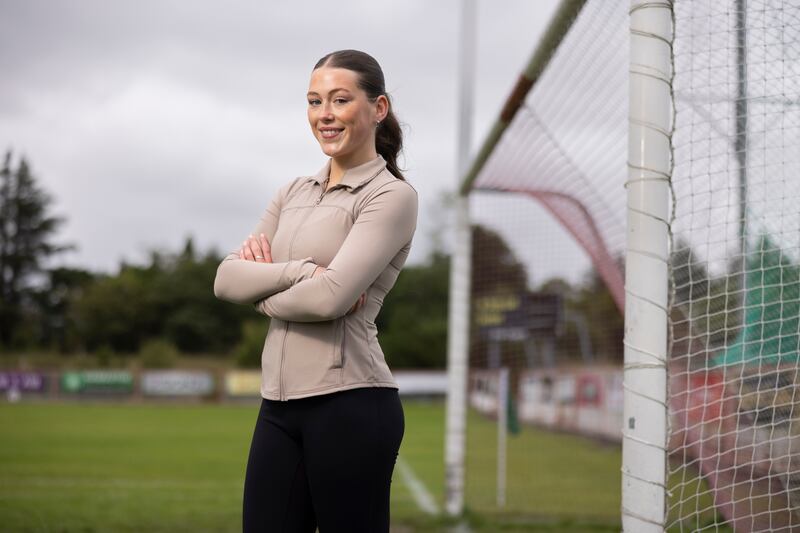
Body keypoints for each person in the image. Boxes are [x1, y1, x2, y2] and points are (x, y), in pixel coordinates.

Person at [213, 49, 418, 533]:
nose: (324, 114)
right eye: (314, 101)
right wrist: (305, 272)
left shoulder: (391, 196)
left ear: (378, 108)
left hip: (351, 405)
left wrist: (263, 286)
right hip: (278, 407)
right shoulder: (292, 192)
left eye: (340, 100)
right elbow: (225, 280)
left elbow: (330, 300)